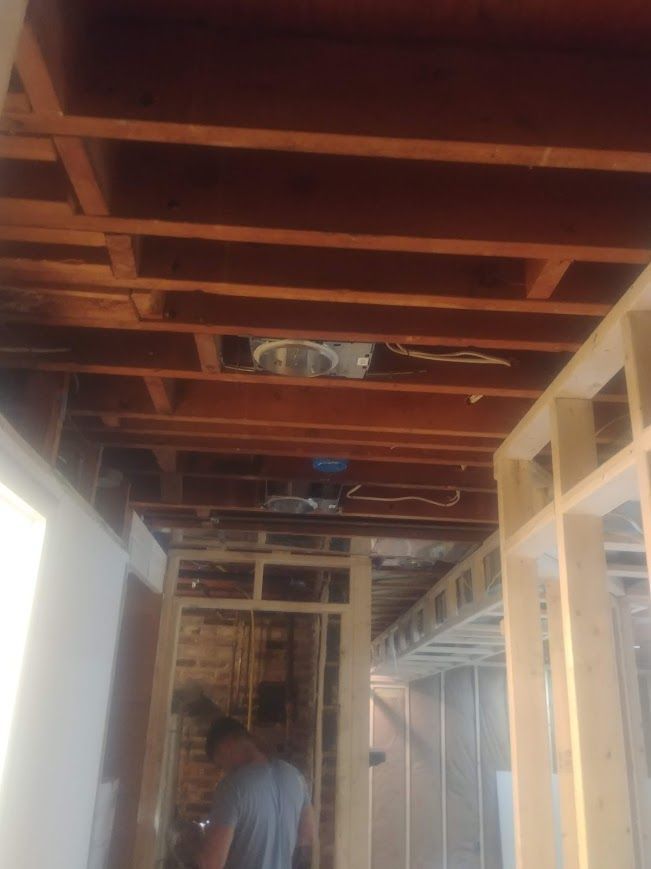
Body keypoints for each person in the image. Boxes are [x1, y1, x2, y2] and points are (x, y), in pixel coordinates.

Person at [199, 717, 316, 869]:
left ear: (226, 746)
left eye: (221, 764)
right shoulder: (295, 777)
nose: (225, 771)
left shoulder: (231, 787)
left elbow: (212, 863)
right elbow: (307, 839)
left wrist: (191, 845)